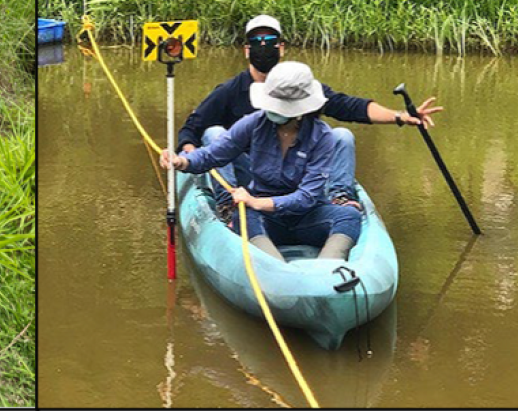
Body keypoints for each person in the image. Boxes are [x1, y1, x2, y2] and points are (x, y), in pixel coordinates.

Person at [177, 14, 443, 212]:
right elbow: (193, 127)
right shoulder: (230, 91)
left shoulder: (299, 86)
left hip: (297, 168)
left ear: (281, 47)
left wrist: (400, 116)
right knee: (213, 133)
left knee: (342, 135)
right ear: (246, 50)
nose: (263, 46)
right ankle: (227, 205)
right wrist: (189, 154)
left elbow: (349, 106)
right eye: (256, 41)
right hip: (252, 173)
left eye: (269, 40)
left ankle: (340, 197)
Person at [161, 62, 359, 260]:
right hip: (266, 219)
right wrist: (181, 161)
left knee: (349, 216)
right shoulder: (255, 123)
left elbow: (307, 197)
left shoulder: (322, 135)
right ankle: (274, 268)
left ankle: (327, 270)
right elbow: (213, 154)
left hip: (308, 216)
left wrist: (256, 202)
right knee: (244, 216)